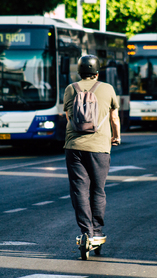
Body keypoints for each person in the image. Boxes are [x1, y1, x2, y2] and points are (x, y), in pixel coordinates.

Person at [63, 55, 121, 242]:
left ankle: (85, 230)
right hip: (99, 147)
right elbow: (114, 118)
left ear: (79, 72)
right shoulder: (107, 89)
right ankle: (96, 231)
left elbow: (68, 117)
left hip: (74, 146)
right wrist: (116, 136)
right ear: (97, 73)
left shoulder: (71, 89)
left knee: (79, 190)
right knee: (98, 189)